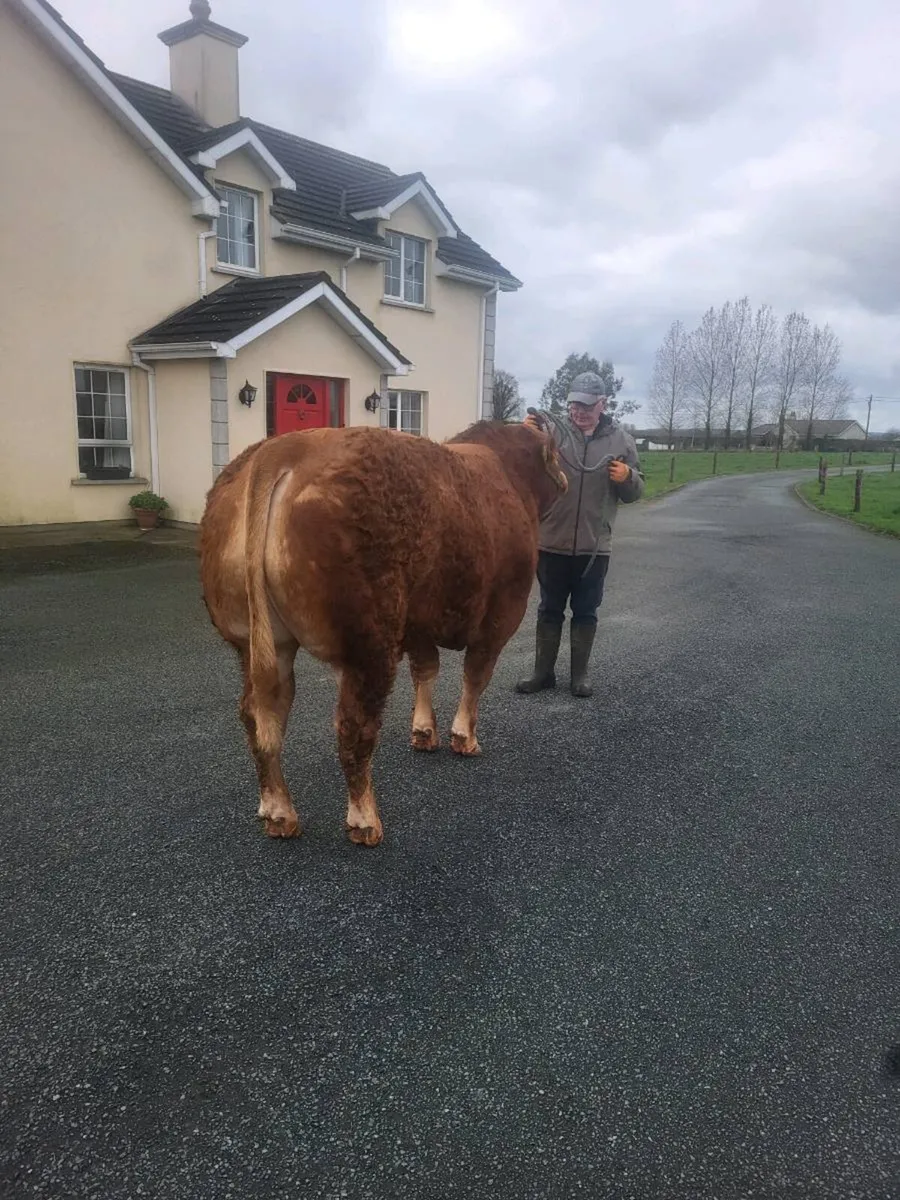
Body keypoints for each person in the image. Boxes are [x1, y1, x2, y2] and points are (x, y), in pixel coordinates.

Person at [516, 371, 645, 698]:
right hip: (551, 541)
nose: (579, 411)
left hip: (593, 547)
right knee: (549, 609)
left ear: (602, 404)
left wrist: (627, 477)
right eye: (574, 404)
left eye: (587, 405)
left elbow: (635, 493)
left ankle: (579, 676)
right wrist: (525, 435)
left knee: (586, 611)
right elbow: (522, 466)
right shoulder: (552, 433)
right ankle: (542, 673)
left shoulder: (621, 441)